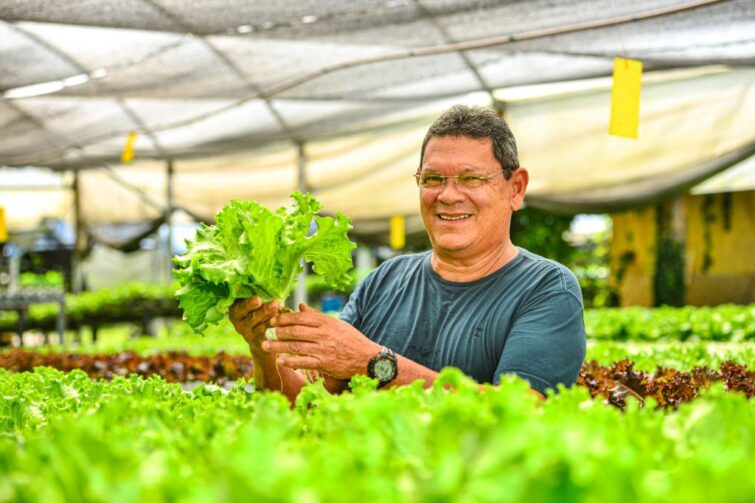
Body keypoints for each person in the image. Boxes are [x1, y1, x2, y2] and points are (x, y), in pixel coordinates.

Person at [230, 105, 586, 402]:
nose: (448, 195)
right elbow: (310, 402)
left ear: (516, 188)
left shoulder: (547, 289)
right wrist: (263, 347)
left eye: (471, 179)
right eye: (432, 179)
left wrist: (373, 364)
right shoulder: (385, 280)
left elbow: (522, 410)